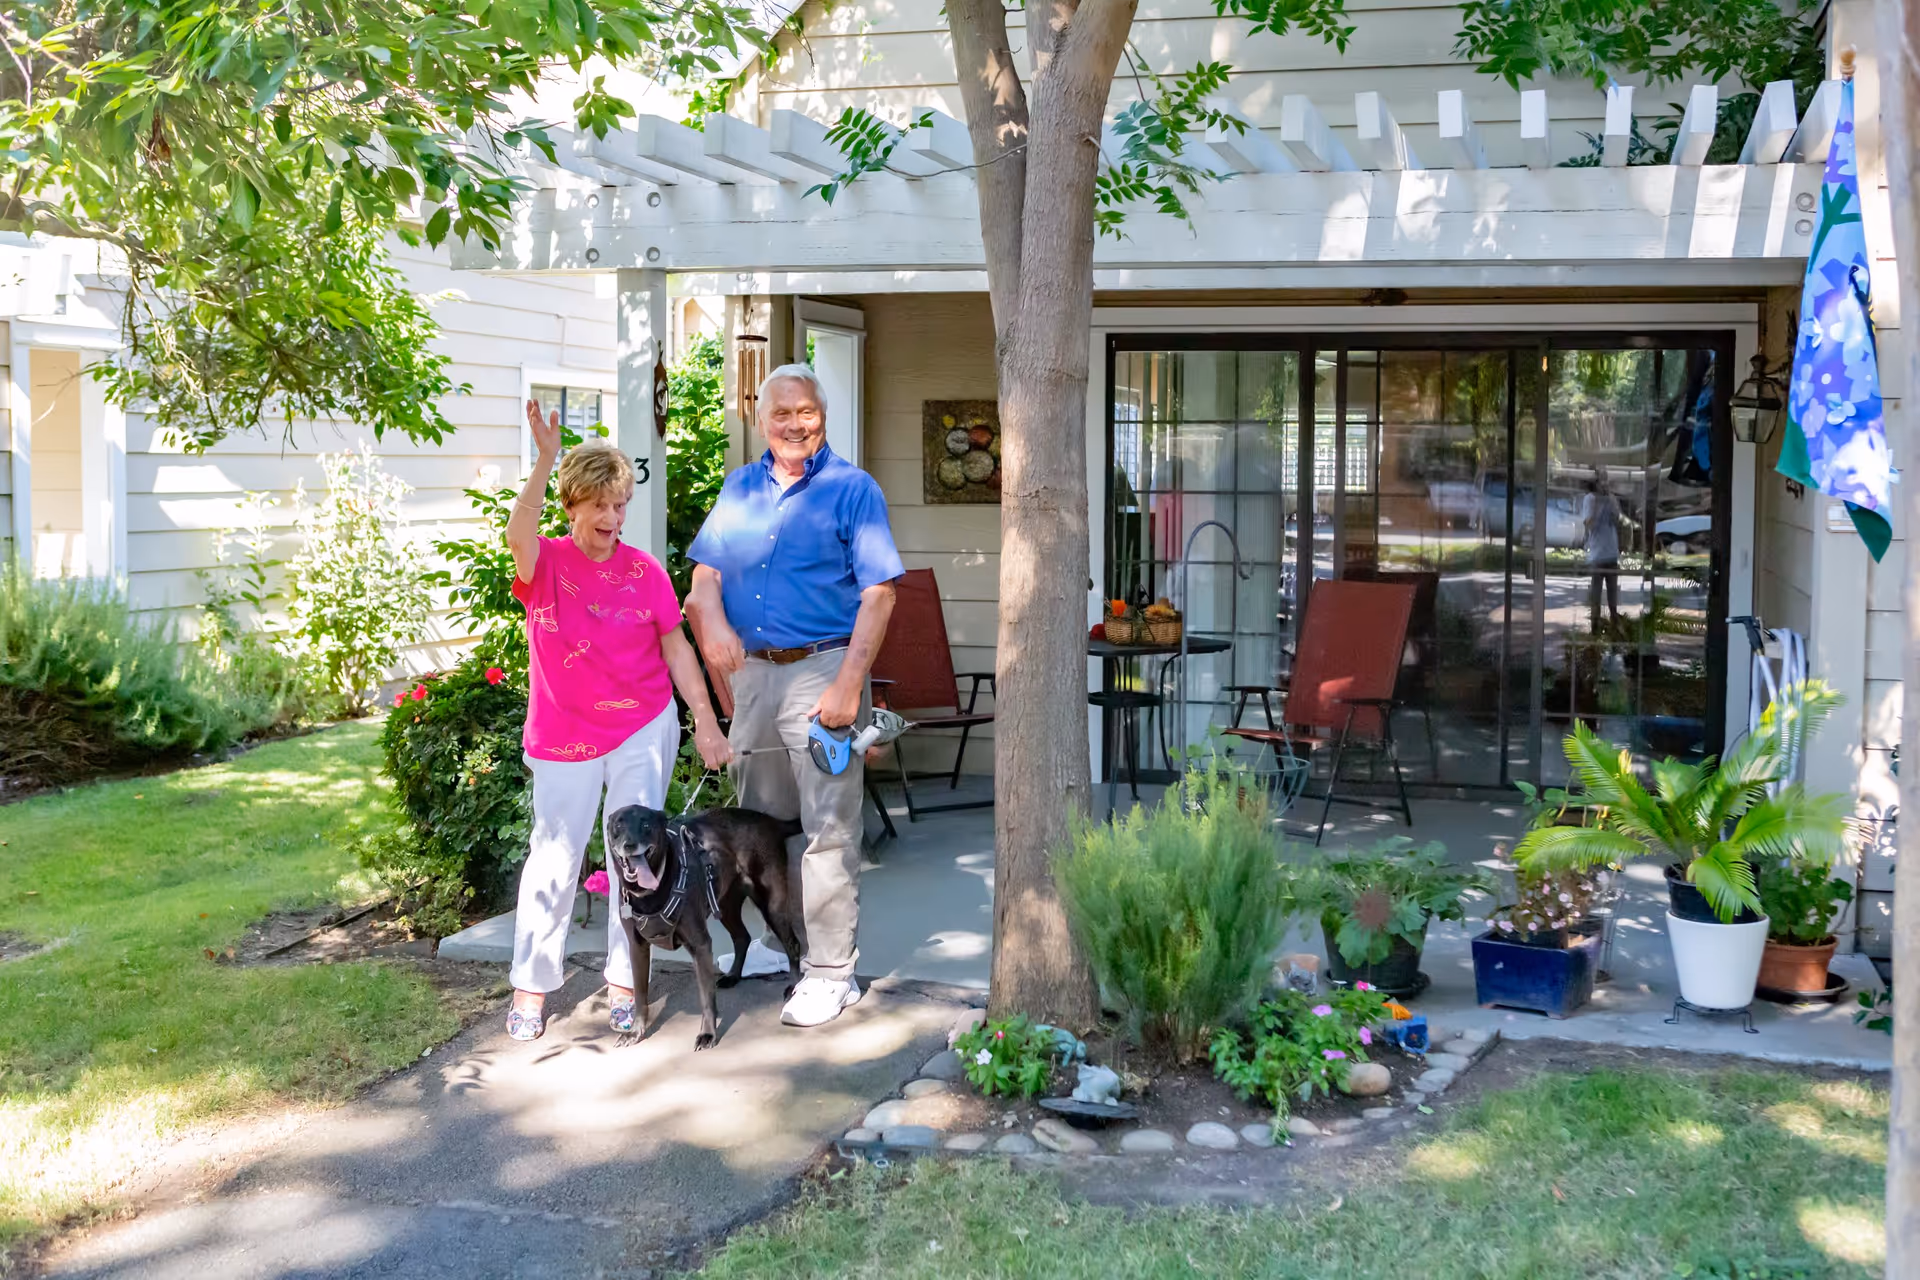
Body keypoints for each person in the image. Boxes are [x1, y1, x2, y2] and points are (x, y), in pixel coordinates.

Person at [504, 402, 733, 1042]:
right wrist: (545, 460)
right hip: (562, 734)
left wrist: (706, 725)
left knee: (636, 858)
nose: (611, 518)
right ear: (572, 506)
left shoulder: (644, 572)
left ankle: (624, 981)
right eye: (599, 505)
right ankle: (531, 985)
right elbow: (516, 535)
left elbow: (677, 649)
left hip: (641, 725)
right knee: (554, 854)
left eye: (620, 505)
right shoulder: (544, 564)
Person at [686, 363, 904, 1028]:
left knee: (827, 828)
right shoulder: (740, 488)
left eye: (806, 411)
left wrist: (847, 686)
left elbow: (880, 594)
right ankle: (778, 948)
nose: (794, 424)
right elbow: (703, 578)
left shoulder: (852, 490)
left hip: (822, 673)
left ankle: (831, 970)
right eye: (782, 413)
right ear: (761, 417)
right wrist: (715, 624)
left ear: (822, 415)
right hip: (754, 674)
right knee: (758, 826)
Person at [1581, 472, 1624, 631]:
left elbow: (1617, 519)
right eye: (1602, 481)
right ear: (1596, 483)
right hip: (1597, 555)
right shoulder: (1590, 499)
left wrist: (1611, 501)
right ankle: (1594, 630)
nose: (1605, 484)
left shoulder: (1611, 498)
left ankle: (1614, 631)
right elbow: (1588, 524)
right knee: (1596, 598)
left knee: (1613, 600)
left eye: (1607, 481)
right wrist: (1599, 504)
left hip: (1611, 553)